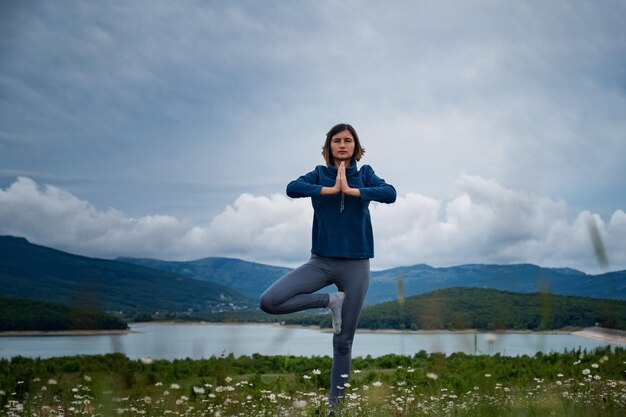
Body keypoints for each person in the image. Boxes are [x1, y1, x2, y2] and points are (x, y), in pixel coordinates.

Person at [259, 123, 396, 410]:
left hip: (356, 265)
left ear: (356, 146)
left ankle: (336, 410)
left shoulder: (366, 174)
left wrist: (354, 191)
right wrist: (331, 189)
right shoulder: (319, 174)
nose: (342, 145)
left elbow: (390, 193)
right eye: (337, 140)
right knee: (270, 301)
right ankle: (330, 301)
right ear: (329, 146)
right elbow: (292, 188)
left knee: (343, 342)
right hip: (321, 261)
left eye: (348, 140)